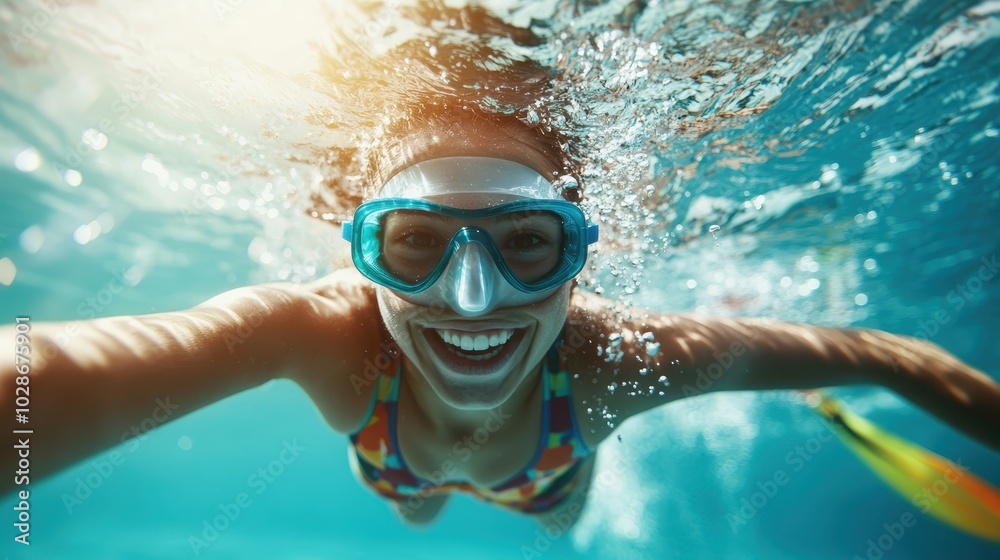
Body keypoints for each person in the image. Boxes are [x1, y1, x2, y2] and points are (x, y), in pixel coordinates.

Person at [2, 102, 999, 536]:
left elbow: (883, 354)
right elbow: (57, 379)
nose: (469, 297)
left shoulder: (621, 356)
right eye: (413, 243)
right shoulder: (315, 327)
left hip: (546, 472)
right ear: (361, 252)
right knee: (420, 502)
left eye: (526, 242)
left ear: (580, 253)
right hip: (400, 462)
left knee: (560, 516)